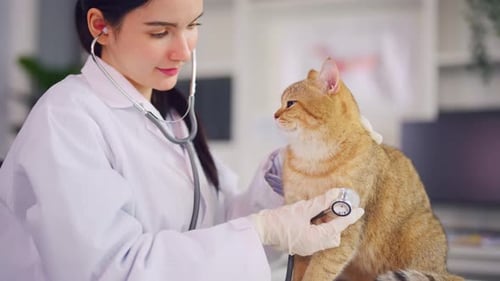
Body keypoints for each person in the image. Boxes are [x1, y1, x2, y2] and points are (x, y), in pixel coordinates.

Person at [0, 0, 367, 280]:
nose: (184, 50)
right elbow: (108, 270)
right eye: (160, 32)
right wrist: (262, 232)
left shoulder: (170, 118)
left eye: (193, 25)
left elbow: (219, 220)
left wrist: (286, 169)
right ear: (101, 26)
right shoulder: (67, 118)